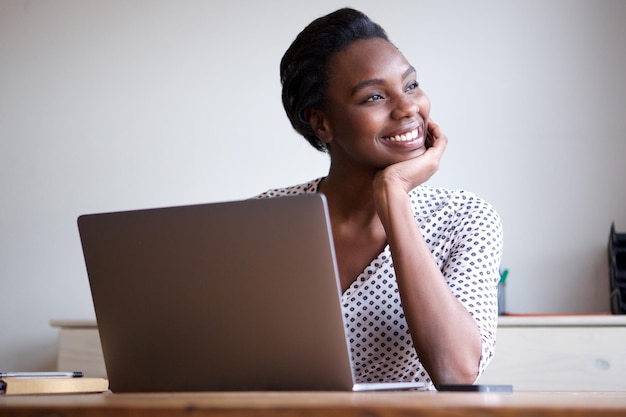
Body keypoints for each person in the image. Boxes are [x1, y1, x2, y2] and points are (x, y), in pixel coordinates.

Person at [256, 8, 503, 391]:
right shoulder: (268, 218)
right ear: (321, 122)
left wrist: (393, 196)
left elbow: (456, 373)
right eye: (374, 96)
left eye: (411, 85)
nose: (408, 108)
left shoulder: (466, 219)